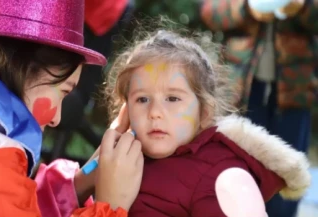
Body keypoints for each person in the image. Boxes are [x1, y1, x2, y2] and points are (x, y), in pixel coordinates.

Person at [0, 0, 143, 216]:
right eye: (63, 92)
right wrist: (111, 205)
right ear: (23, 67)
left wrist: (77, 185)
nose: (56, 119)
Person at [100, 29, 309, 216]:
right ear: (125, 111)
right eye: (142, 99)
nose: (154, 112)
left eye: (173, 98)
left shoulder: (221, 175)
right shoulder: (124, 160)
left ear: (204, 113)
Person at [200, 0, 318, 216]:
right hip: (240, 91)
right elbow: (210, 12)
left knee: (289, 173)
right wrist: (246, 7)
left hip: (295, 90)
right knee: (236, 169)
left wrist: (303, 7)